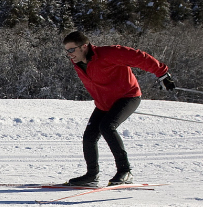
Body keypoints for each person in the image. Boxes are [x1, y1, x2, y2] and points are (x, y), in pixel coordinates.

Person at [62, 31, 176, 186]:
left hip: (128, 96)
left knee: (107, 127)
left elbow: (138, 57)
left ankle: (125, 171)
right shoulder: (78, 63)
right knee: (89, 136)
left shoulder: (108, 53)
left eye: (71, 50)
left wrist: (162, 74)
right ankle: (91, 176)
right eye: (66, 51)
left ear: (84, 47)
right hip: (104, 103)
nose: (69, 54)